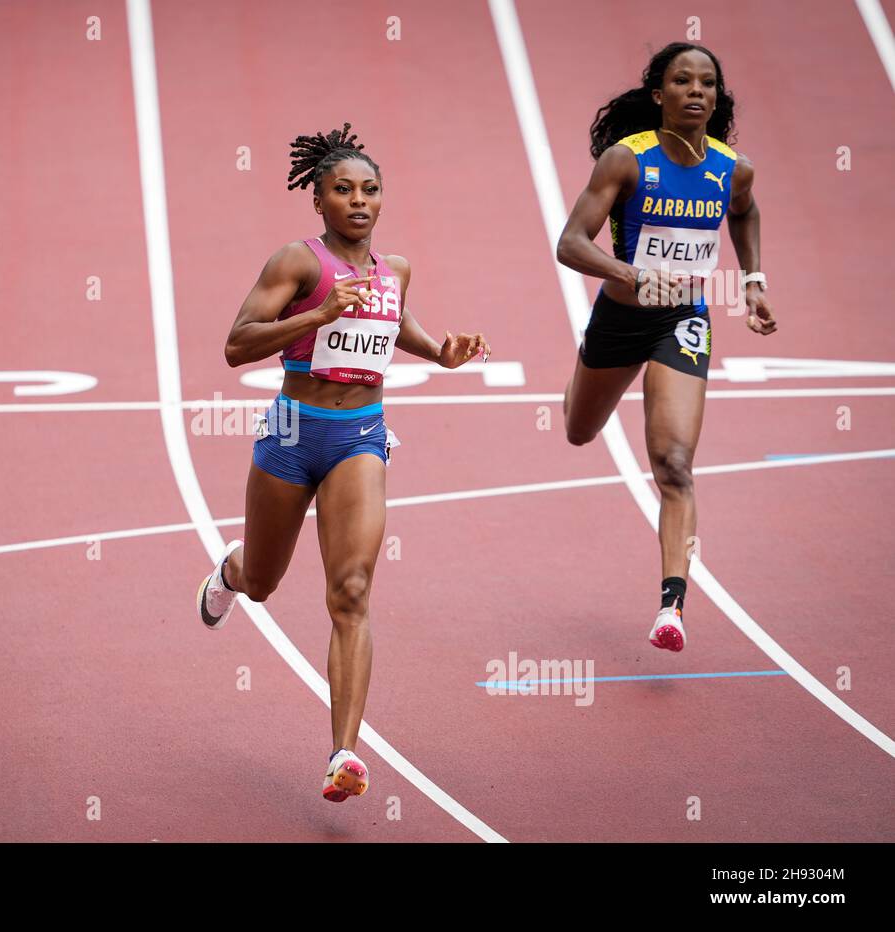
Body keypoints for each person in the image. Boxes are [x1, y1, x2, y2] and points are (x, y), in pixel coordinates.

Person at [196, 124, 490, 801]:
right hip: (294, 431)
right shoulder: (296, 264)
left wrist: (442, 352)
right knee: (265, 581)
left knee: (351, 592)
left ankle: (343, 755)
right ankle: (231, 571)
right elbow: (237, 345)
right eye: (343, 190)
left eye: (370, 189)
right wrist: (318, 312)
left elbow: (397, 327)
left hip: (361, 435)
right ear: (319, 200)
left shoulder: (396, 271)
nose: (359, 200)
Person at [555, 43, 777, 653]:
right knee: (578, 430)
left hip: (682, 319)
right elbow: (570, 243)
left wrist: (752, 282)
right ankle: (580, 380)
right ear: (660, 94)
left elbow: (746, 213)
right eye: (682, 81)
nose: (696, 91)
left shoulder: (735, 168)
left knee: (674, 465)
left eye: (707, 83)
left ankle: (671, 607)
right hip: (619, 319)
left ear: (717, 96)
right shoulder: (627, 160)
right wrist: (630, 275)